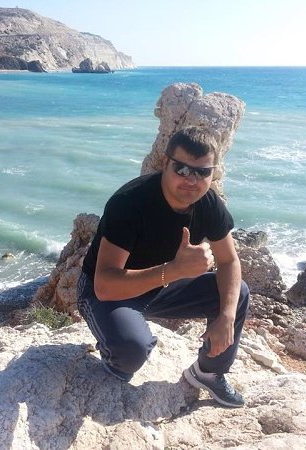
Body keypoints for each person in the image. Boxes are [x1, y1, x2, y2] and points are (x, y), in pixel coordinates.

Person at [77, 126, 249, 407]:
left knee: (236, 293)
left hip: (163, 285)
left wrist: (226, 317)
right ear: (164, 164)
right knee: (131, 352)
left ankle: (208, 372)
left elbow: (229, 261)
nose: (191, 180)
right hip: (108, 290)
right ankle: (115, 358)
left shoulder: (208, 203)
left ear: (213, 173)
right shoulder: (130, 203)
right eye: (182, 169)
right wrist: (175, 270)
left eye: (202, 172)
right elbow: (104, 285)